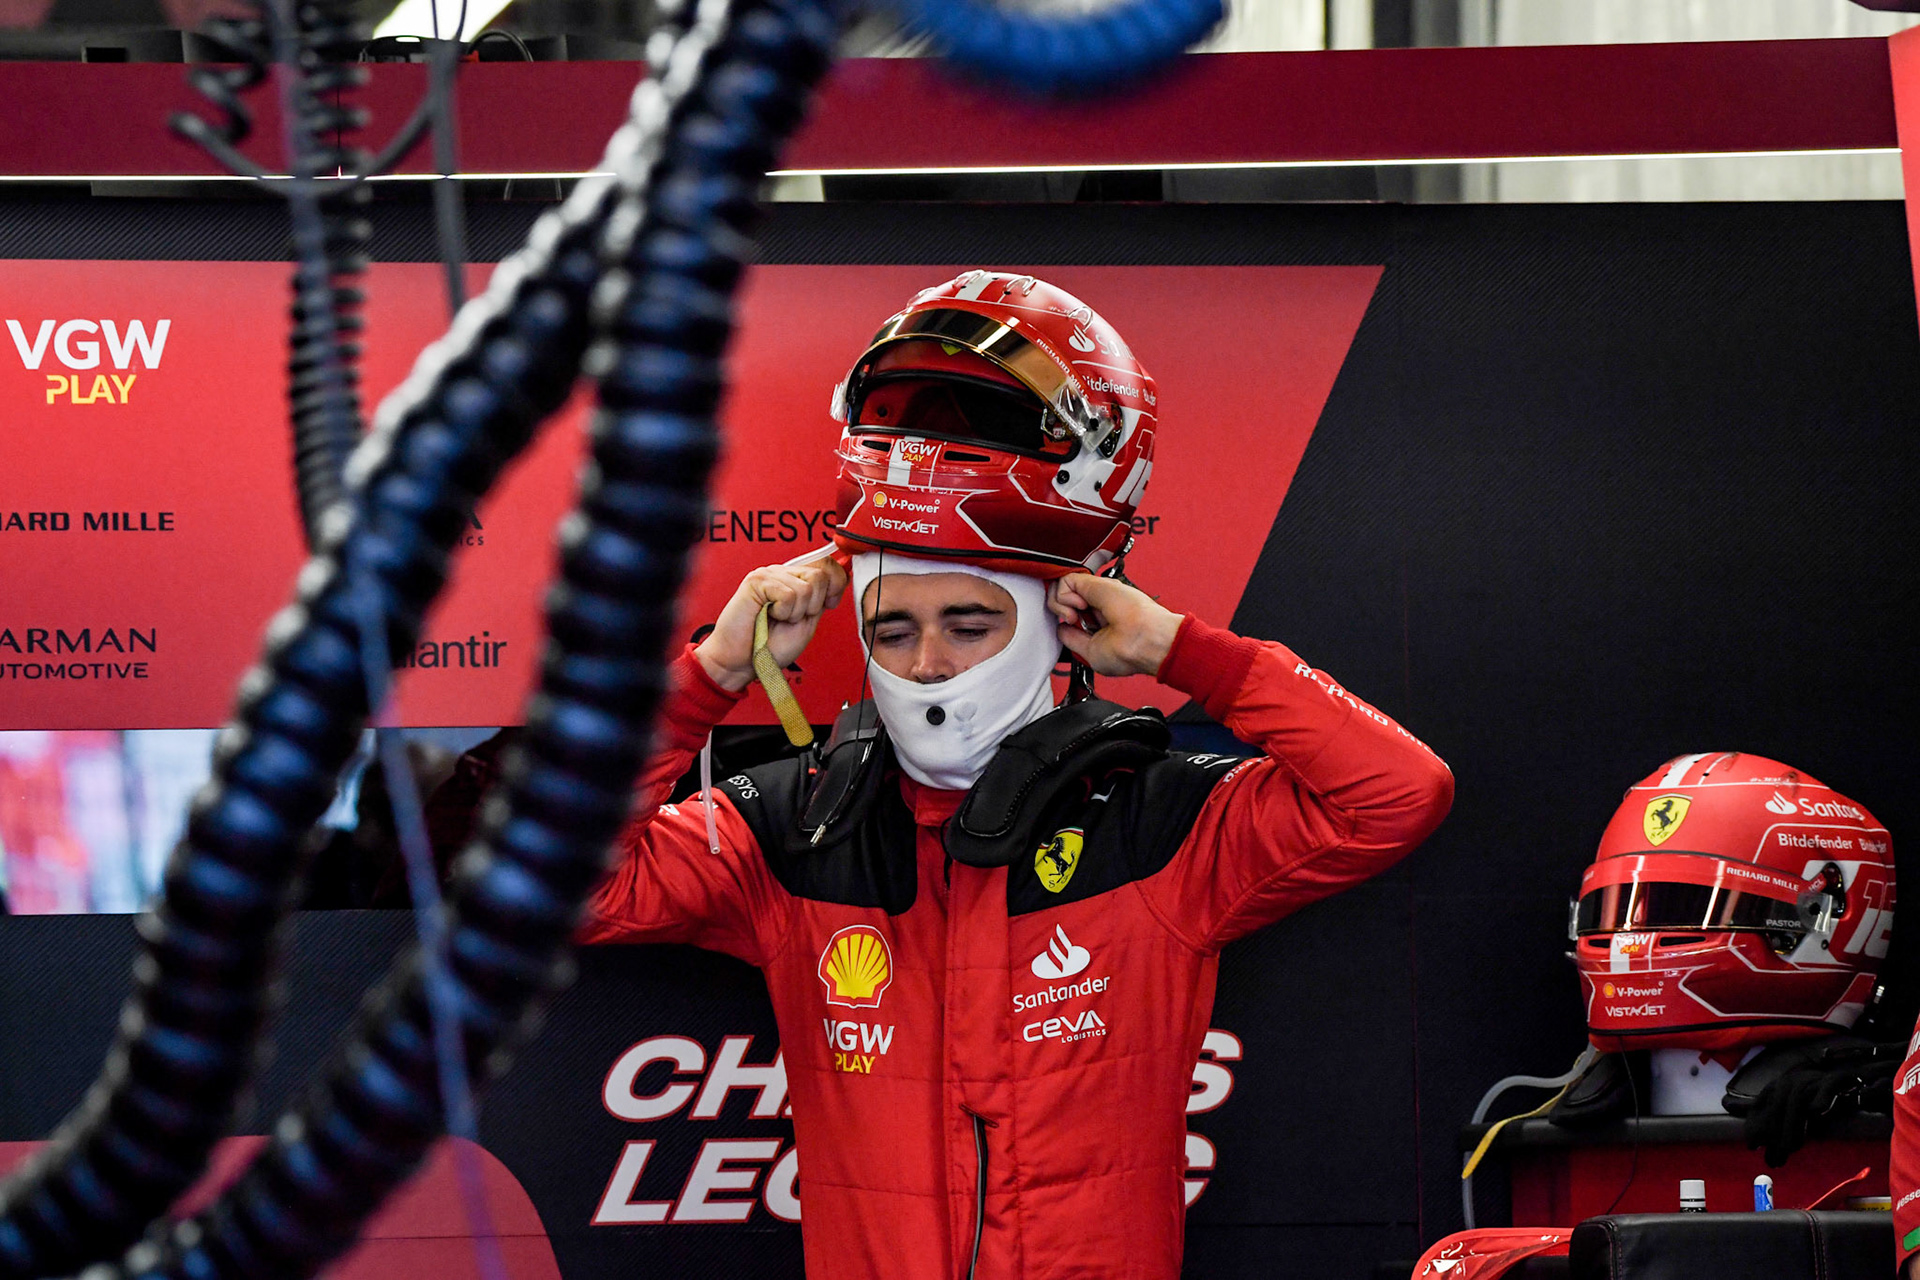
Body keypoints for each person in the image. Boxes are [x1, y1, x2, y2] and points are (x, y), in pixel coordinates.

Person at [582, 273, 1454, 1279]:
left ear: (1056, 623)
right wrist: (709, 674)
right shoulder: (796, 825)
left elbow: (1399, 791)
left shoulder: (1158, 818)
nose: (928, 664)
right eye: (892, 628)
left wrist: (1186, 651)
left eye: (970, 623)